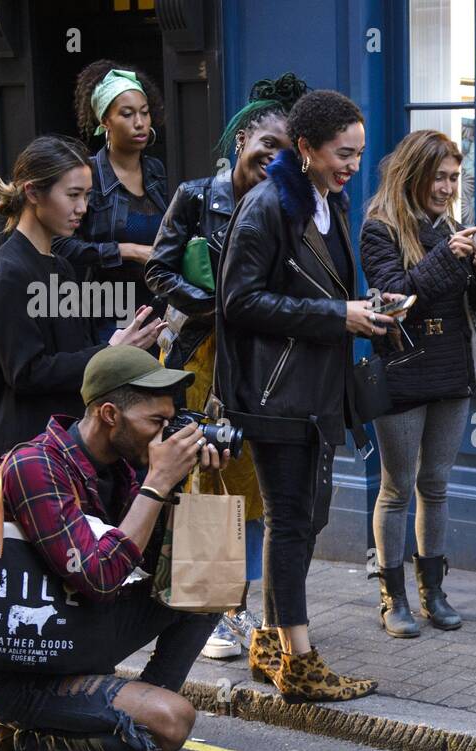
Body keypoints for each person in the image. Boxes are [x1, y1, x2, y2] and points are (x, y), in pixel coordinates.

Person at [0, 346, 230, 751]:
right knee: (171, 721)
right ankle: (11, 748)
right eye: (157, 421)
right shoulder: (36, 468)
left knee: (205, 583)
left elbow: (162, 566)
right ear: (110, 414)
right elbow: (99, 577)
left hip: (79, 636)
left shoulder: (123, 463)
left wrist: (184, 483)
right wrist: (155, 484)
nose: (166, 434)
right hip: (26, 669)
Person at [217, 89, 403, 701]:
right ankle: (298, 660)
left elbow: (323, 291)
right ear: (305, 149)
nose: (352, 165)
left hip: (316, 388)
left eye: (358, 154)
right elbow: (237, 302)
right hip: (276, 394)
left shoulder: (330, 204)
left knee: (297, 518)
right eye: (342, 154)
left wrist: (369, 311)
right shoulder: (267, 205)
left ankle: (271, 643)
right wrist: (336, 315)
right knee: (293, 518)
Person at [145, 72, 308, 659]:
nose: (275, 158)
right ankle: (211, 615)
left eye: (287, 151)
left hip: (261, 361)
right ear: (241, 140)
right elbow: (159, 271)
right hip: (200, 358)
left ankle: (241, 605)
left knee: (252, 484)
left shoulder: (287, 205)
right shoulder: (195, 196)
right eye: (267, 144)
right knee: (204, 476)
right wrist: (218, 307)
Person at [360, 129, 476, 637]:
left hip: (451, 371)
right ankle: (392, 598)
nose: (447, 188)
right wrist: (452, 256)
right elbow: (395, 298)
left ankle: (433, 593)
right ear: (414, 175)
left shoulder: (455, 229)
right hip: (402, 370)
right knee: (396, 488)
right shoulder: (380, 229)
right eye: (439, 177)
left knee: (436, 485)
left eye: (454, 178)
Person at [0, 135, 164, 469]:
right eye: (73, 195)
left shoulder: (61, 265)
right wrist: (109, 352)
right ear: (33, 192)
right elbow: (28, 373)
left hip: (67, 445)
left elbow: (73, 350)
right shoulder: (8, 273)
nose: (83, 208)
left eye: (88, 195)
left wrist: (120, 348)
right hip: (29, 455)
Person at [54, 60, 169, 342]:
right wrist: (128, 250)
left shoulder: (155, 170)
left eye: (144, 112)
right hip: (108, 313)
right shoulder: (88, 175)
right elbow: (61, 246)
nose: (140, 122)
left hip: (157, 310)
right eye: (127, 114)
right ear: (105, 120)